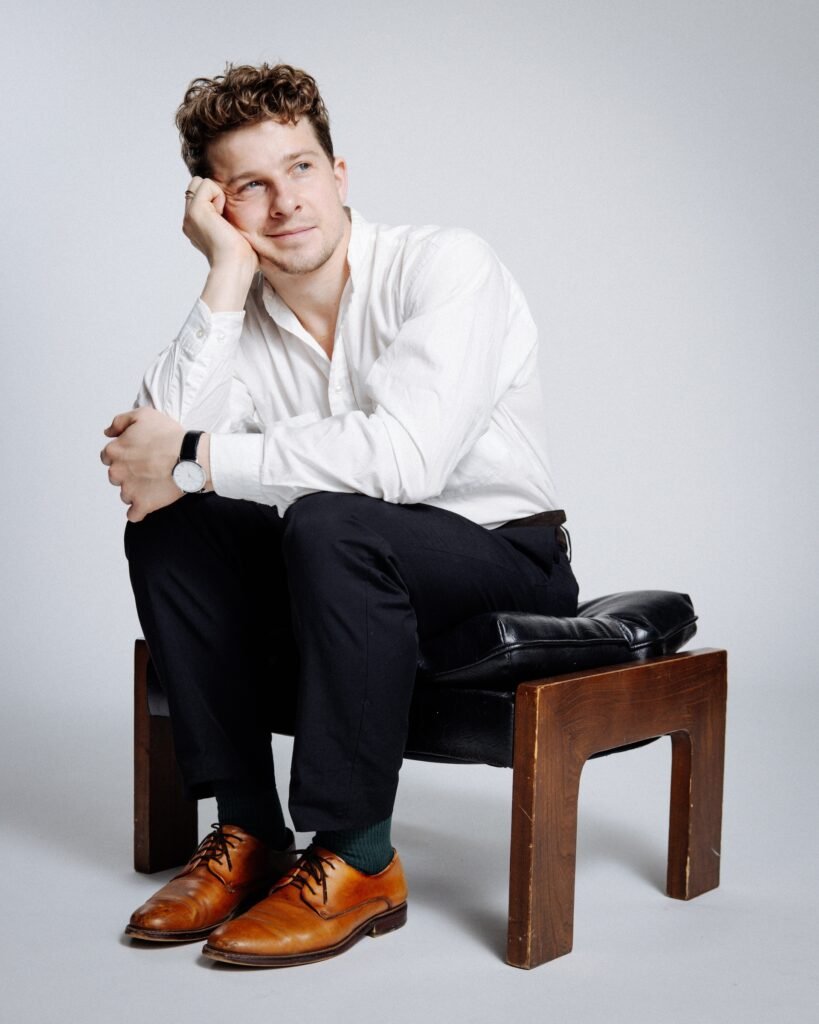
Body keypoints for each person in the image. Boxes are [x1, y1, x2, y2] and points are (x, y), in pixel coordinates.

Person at [101, 62, 579, 968]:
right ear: (216, 205)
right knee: (173, 526)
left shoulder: (445, 265)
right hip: (331, 575)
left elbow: (404, 459)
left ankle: (358, 858)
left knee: (331, 519)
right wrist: (225, 275)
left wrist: (202, 454)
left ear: (339, 172)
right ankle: (248, 832)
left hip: (501, 561)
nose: (286, 201)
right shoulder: (242, 310)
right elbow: (152, 468)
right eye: (251, 186)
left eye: (301, 168)